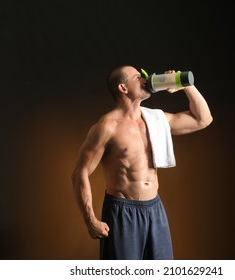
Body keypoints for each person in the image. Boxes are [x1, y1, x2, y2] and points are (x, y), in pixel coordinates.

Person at [71, 65, 212, 260]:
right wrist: (90, 220)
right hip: (122, 212)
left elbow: (202, 119)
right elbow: (80, 172)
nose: (146, 78)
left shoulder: (156, 119)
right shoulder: (107, 127)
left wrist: (185, 85)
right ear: (123, 88)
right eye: (138, 77)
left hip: (155, 209)